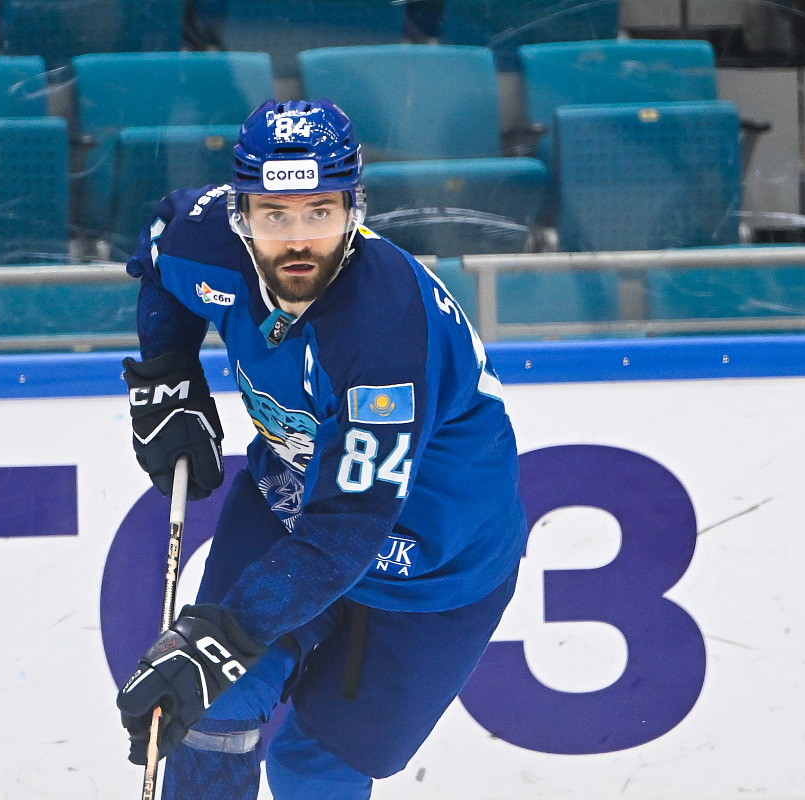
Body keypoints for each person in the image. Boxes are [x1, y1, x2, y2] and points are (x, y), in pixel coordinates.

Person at [115, 98, 528, 800]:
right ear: (240, 214)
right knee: (214, 709)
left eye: (320, 213)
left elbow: (347, 531)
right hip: (289, 505)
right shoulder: (206, 239)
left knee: (314, 766)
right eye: (274, 216)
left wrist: (223, 639)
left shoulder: (385, 334)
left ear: (354, 212)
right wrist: (166, 375)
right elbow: (160, 253)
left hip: (432, 562)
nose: (298, 240)